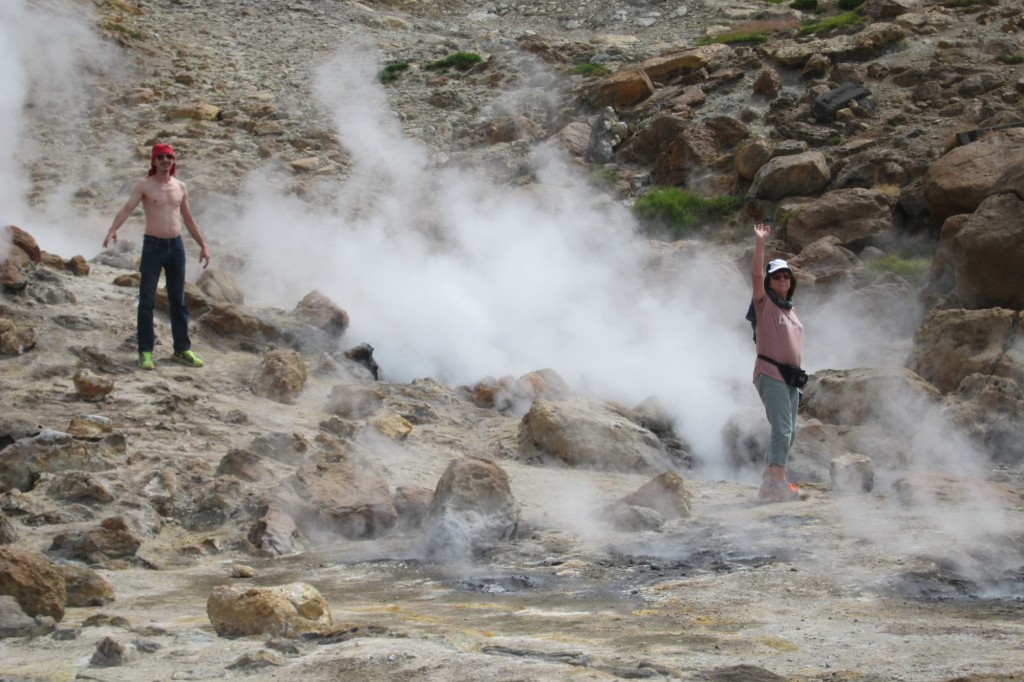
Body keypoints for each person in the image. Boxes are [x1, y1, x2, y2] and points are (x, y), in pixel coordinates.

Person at [104, 143, 210, 370]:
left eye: (169, 157)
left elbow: (188, 219)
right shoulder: (144, 185)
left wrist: (203, 245)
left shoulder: (180, 186)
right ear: (153, 161)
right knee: (147, 301)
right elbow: (127, 208)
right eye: (160, 157)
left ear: (174, 160)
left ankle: (182, 350)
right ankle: (145, 351)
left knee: (178, 300)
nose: (165, 160)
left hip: (176, 246)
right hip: (153, 246)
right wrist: (113, 229)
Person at [748, 222, 803, 502]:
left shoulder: (791, 310)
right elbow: (756, 275)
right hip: (770, 372)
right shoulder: (765, 304)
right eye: (777, 276)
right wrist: (761, 242)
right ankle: (778, 484)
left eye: (786, 276)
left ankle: (769, 484)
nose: (782, 280)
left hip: (791, 377)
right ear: (769, 282)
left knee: (789, 432)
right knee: (782, 428)